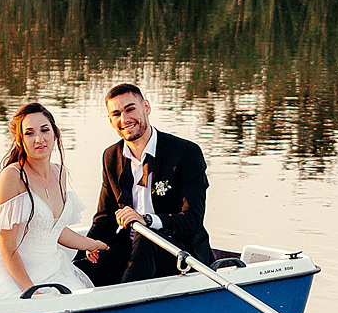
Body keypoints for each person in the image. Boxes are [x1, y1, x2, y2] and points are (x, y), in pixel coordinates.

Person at [0, 103, 104, 303]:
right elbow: (7, 245)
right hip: (15, 276)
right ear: (20, 141)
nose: (39, 139)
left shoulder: (60, 173)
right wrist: (31, 292)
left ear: (55, 134)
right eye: (29, 133)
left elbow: (53, 229)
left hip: (53, 270)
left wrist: (91, 244)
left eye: (44, 130)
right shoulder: (12, 176)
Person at [81, 83, 231, 287]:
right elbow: (105, 219)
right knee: (85, 266)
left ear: (146, 107)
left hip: (180, 252)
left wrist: (147, 221)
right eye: (116, 114)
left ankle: (126, 306)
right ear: (110, 120)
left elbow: (192, 219)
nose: (124, 119)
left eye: (130, 109)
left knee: (146, 239)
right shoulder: (111, 156)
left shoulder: (185, 153)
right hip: (130, 248)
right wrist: (86, 248)